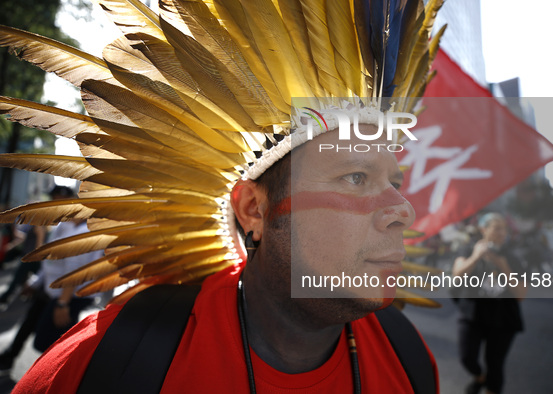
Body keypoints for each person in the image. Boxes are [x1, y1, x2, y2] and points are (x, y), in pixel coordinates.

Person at [0, 0, 446, 392]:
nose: (401, 210)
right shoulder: (102, 363)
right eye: (354, 178)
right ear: (253, 208)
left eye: (396, 183)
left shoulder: (409, 360)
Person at [0, 218, 103, 375]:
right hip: (53, 291)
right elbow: (50, 259)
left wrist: (62, 303)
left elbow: (73, 273)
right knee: (31, 323)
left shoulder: (84, 232)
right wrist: (36, 282)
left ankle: (55, 378)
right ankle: (10, 359)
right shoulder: (64, 225)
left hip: (68, 296)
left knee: (53, 343)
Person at [451, 213, 527, 394]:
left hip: (503, 320)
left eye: (504, 228)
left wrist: (504, 267)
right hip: (472, 315)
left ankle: (490, 386)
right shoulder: (469, 249)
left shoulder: (512, 257)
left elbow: (521, 295)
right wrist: (476, 257)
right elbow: (456, 276)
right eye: (497, 228)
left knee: (495, 365)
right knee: (466, 358)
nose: (502, 233)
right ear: (483, 229)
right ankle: (479, 376)